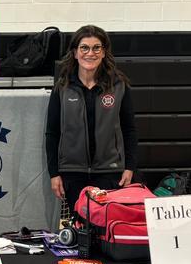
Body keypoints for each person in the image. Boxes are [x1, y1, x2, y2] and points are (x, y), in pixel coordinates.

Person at [46, 24, 139, 210]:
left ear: (104, 52)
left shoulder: (119, 86)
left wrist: (130, 167)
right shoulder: (62, 88)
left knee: (105, 228)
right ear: (75, 52)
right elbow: (52, 132)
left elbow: (129, 130)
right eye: (84, 48)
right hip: (72, 173)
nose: (91, 53)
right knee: (80, 229)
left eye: (97, 47)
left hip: (110, 172)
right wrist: (54, 174)